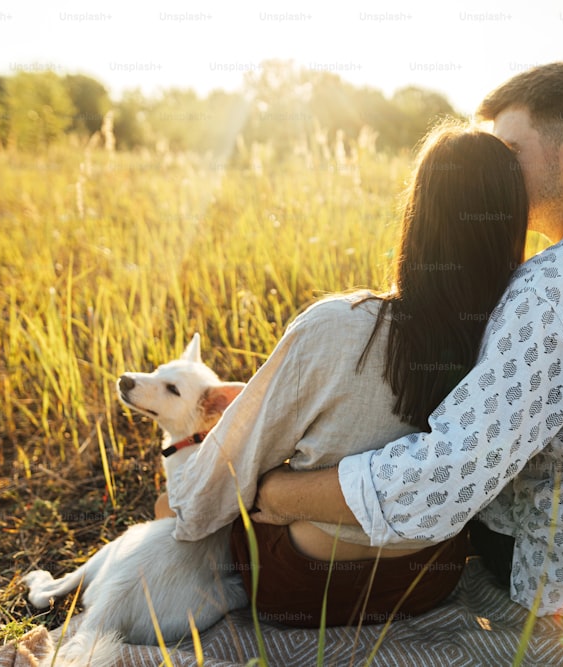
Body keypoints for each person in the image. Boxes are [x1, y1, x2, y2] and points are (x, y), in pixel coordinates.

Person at [251, 62, 563, 622]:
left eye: (509, 153)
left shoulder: (550, 287)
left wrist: (278, 492)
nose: (492, 170)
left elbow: (442, 481)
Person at [162, 122, 529, 627]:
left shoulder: (338, 325)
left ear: (417, 213)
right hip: (426, 581)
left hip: (303, 581)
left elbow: (233, 459)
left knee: (180, 499)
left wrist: (182, 507)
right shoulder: (514, 333)